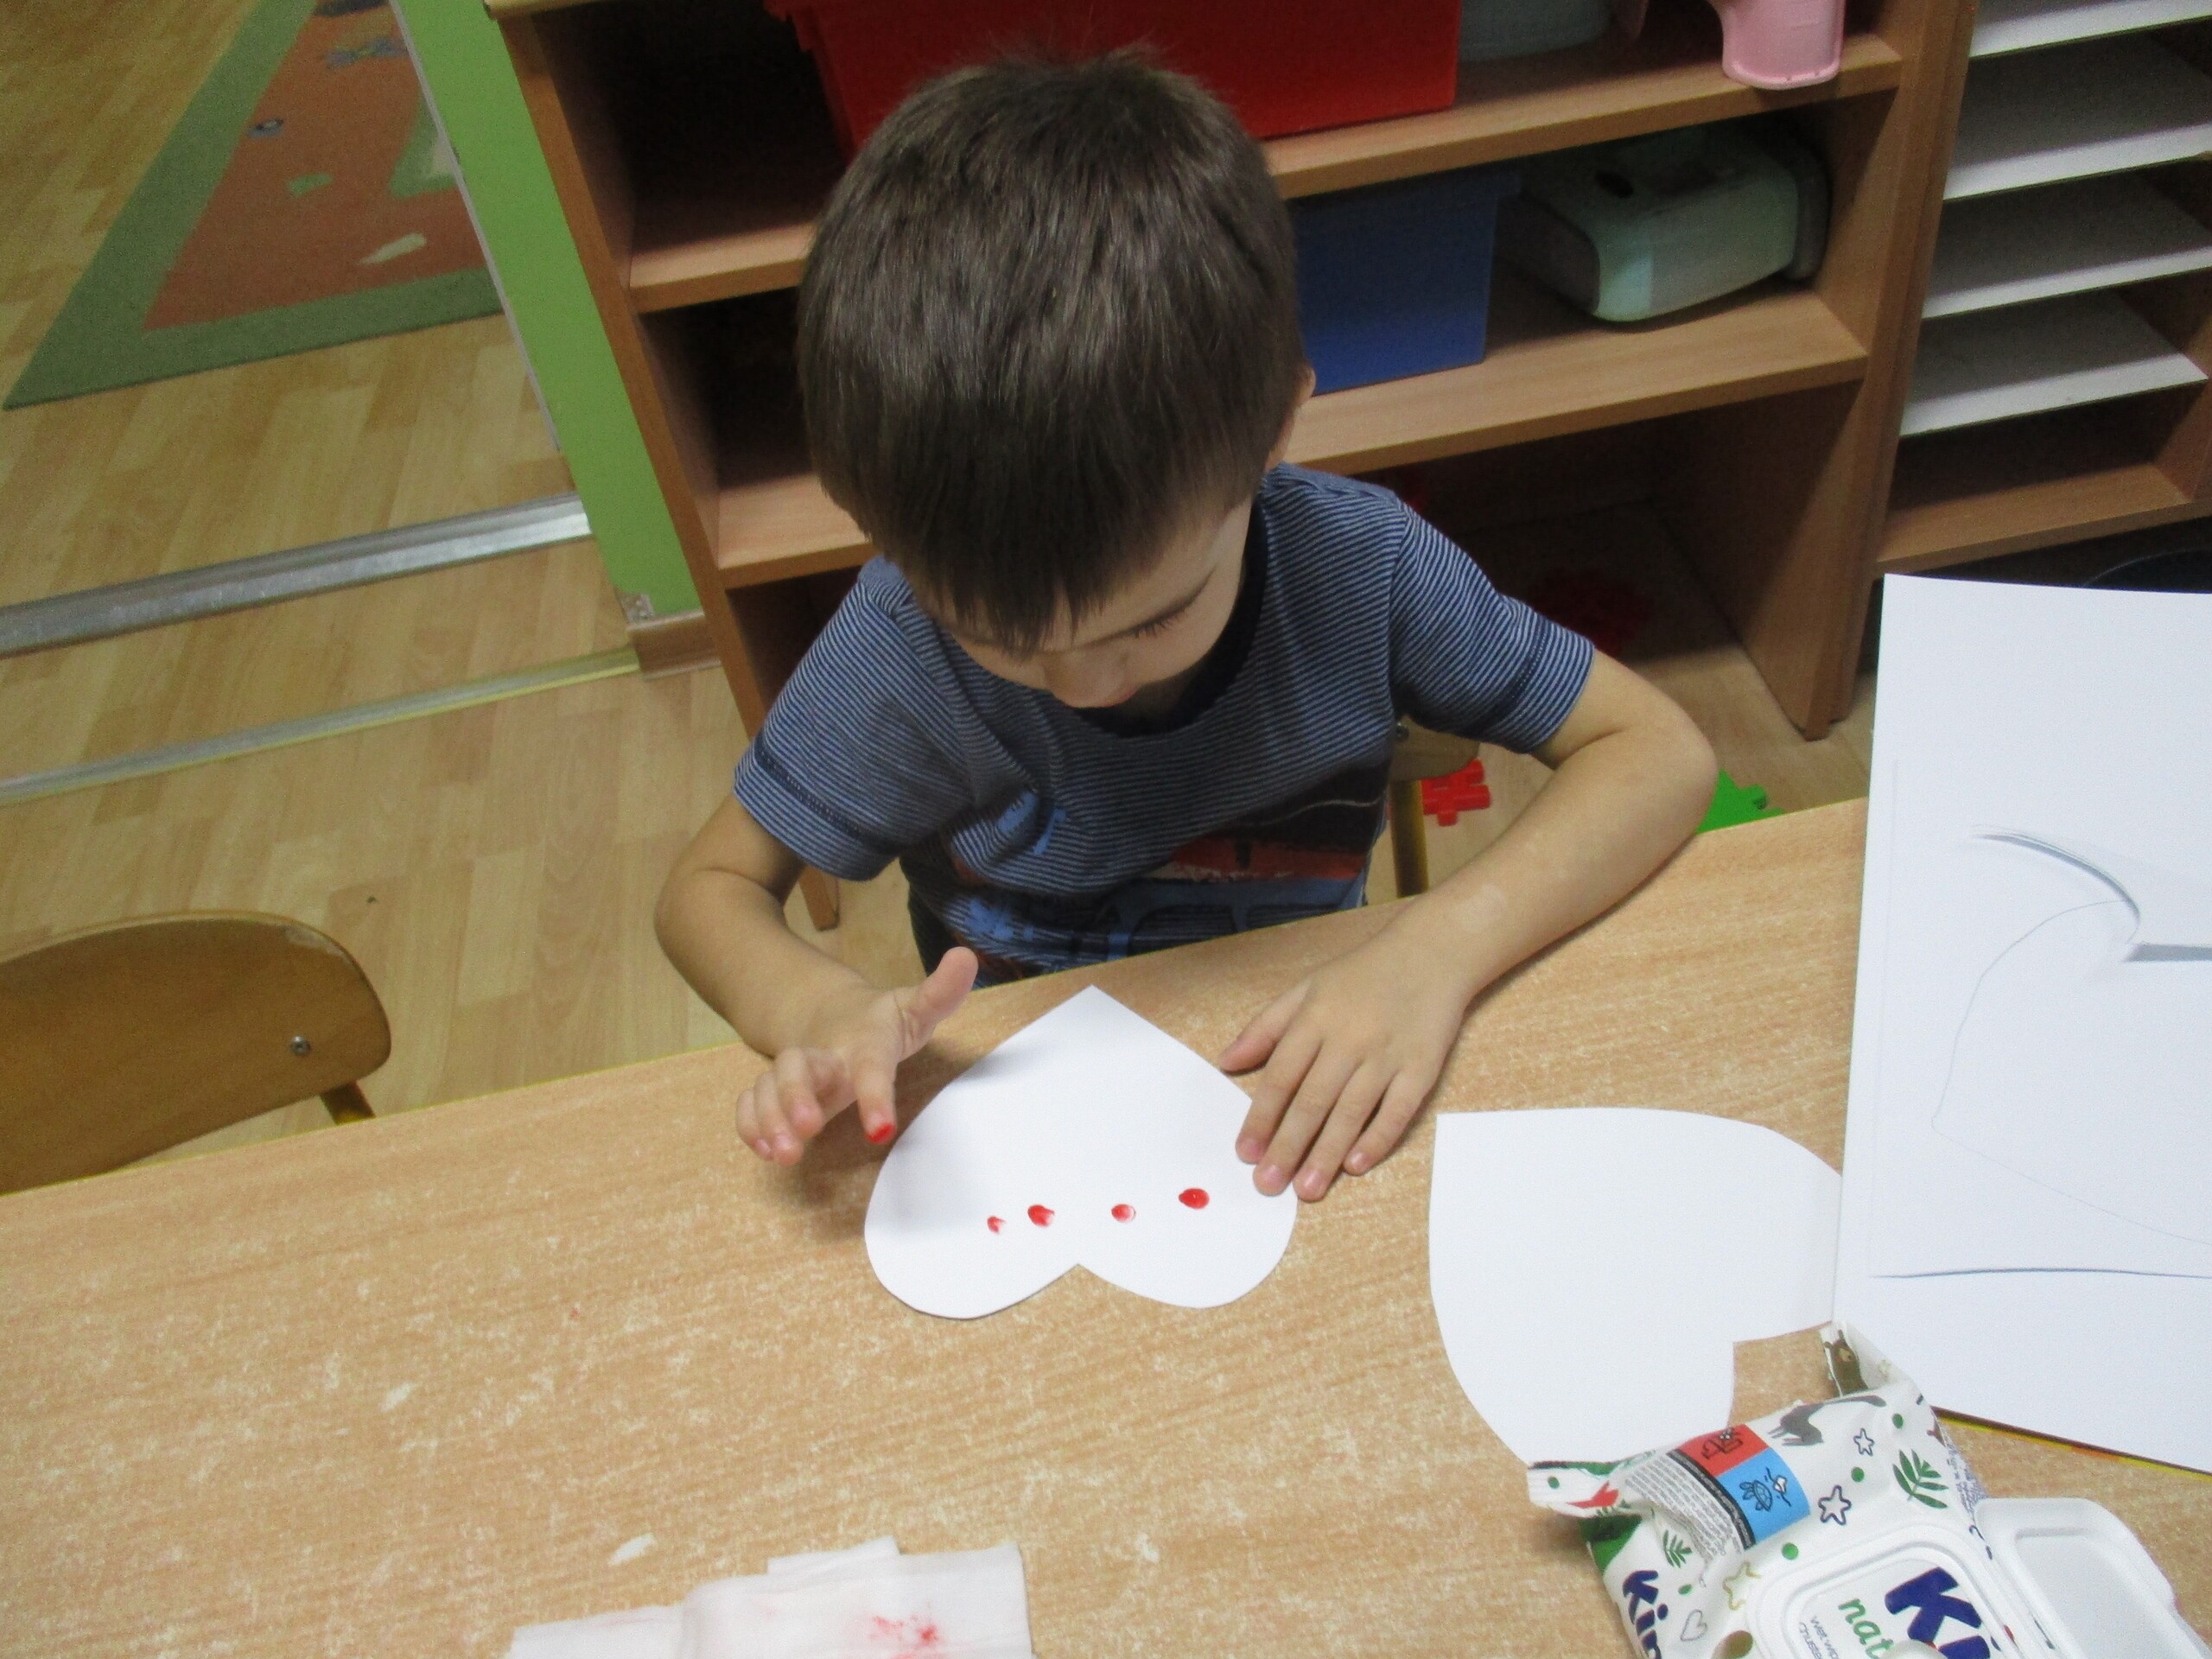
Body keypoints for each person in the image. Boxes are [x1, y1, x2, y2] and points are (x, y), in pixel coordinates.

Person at [656, 53, 1717, 1202]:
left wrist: (1438, 948)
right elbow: (706, 891)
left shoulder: (1359, 568)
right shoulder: (901, 639)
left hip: (1304, 1062)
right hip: (1032, 1122)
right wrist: (813, 1006)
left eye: (1152, 620)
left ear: (1274, 432)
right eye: (996, 637)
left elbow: (1659, 751)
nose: (1081, 687)